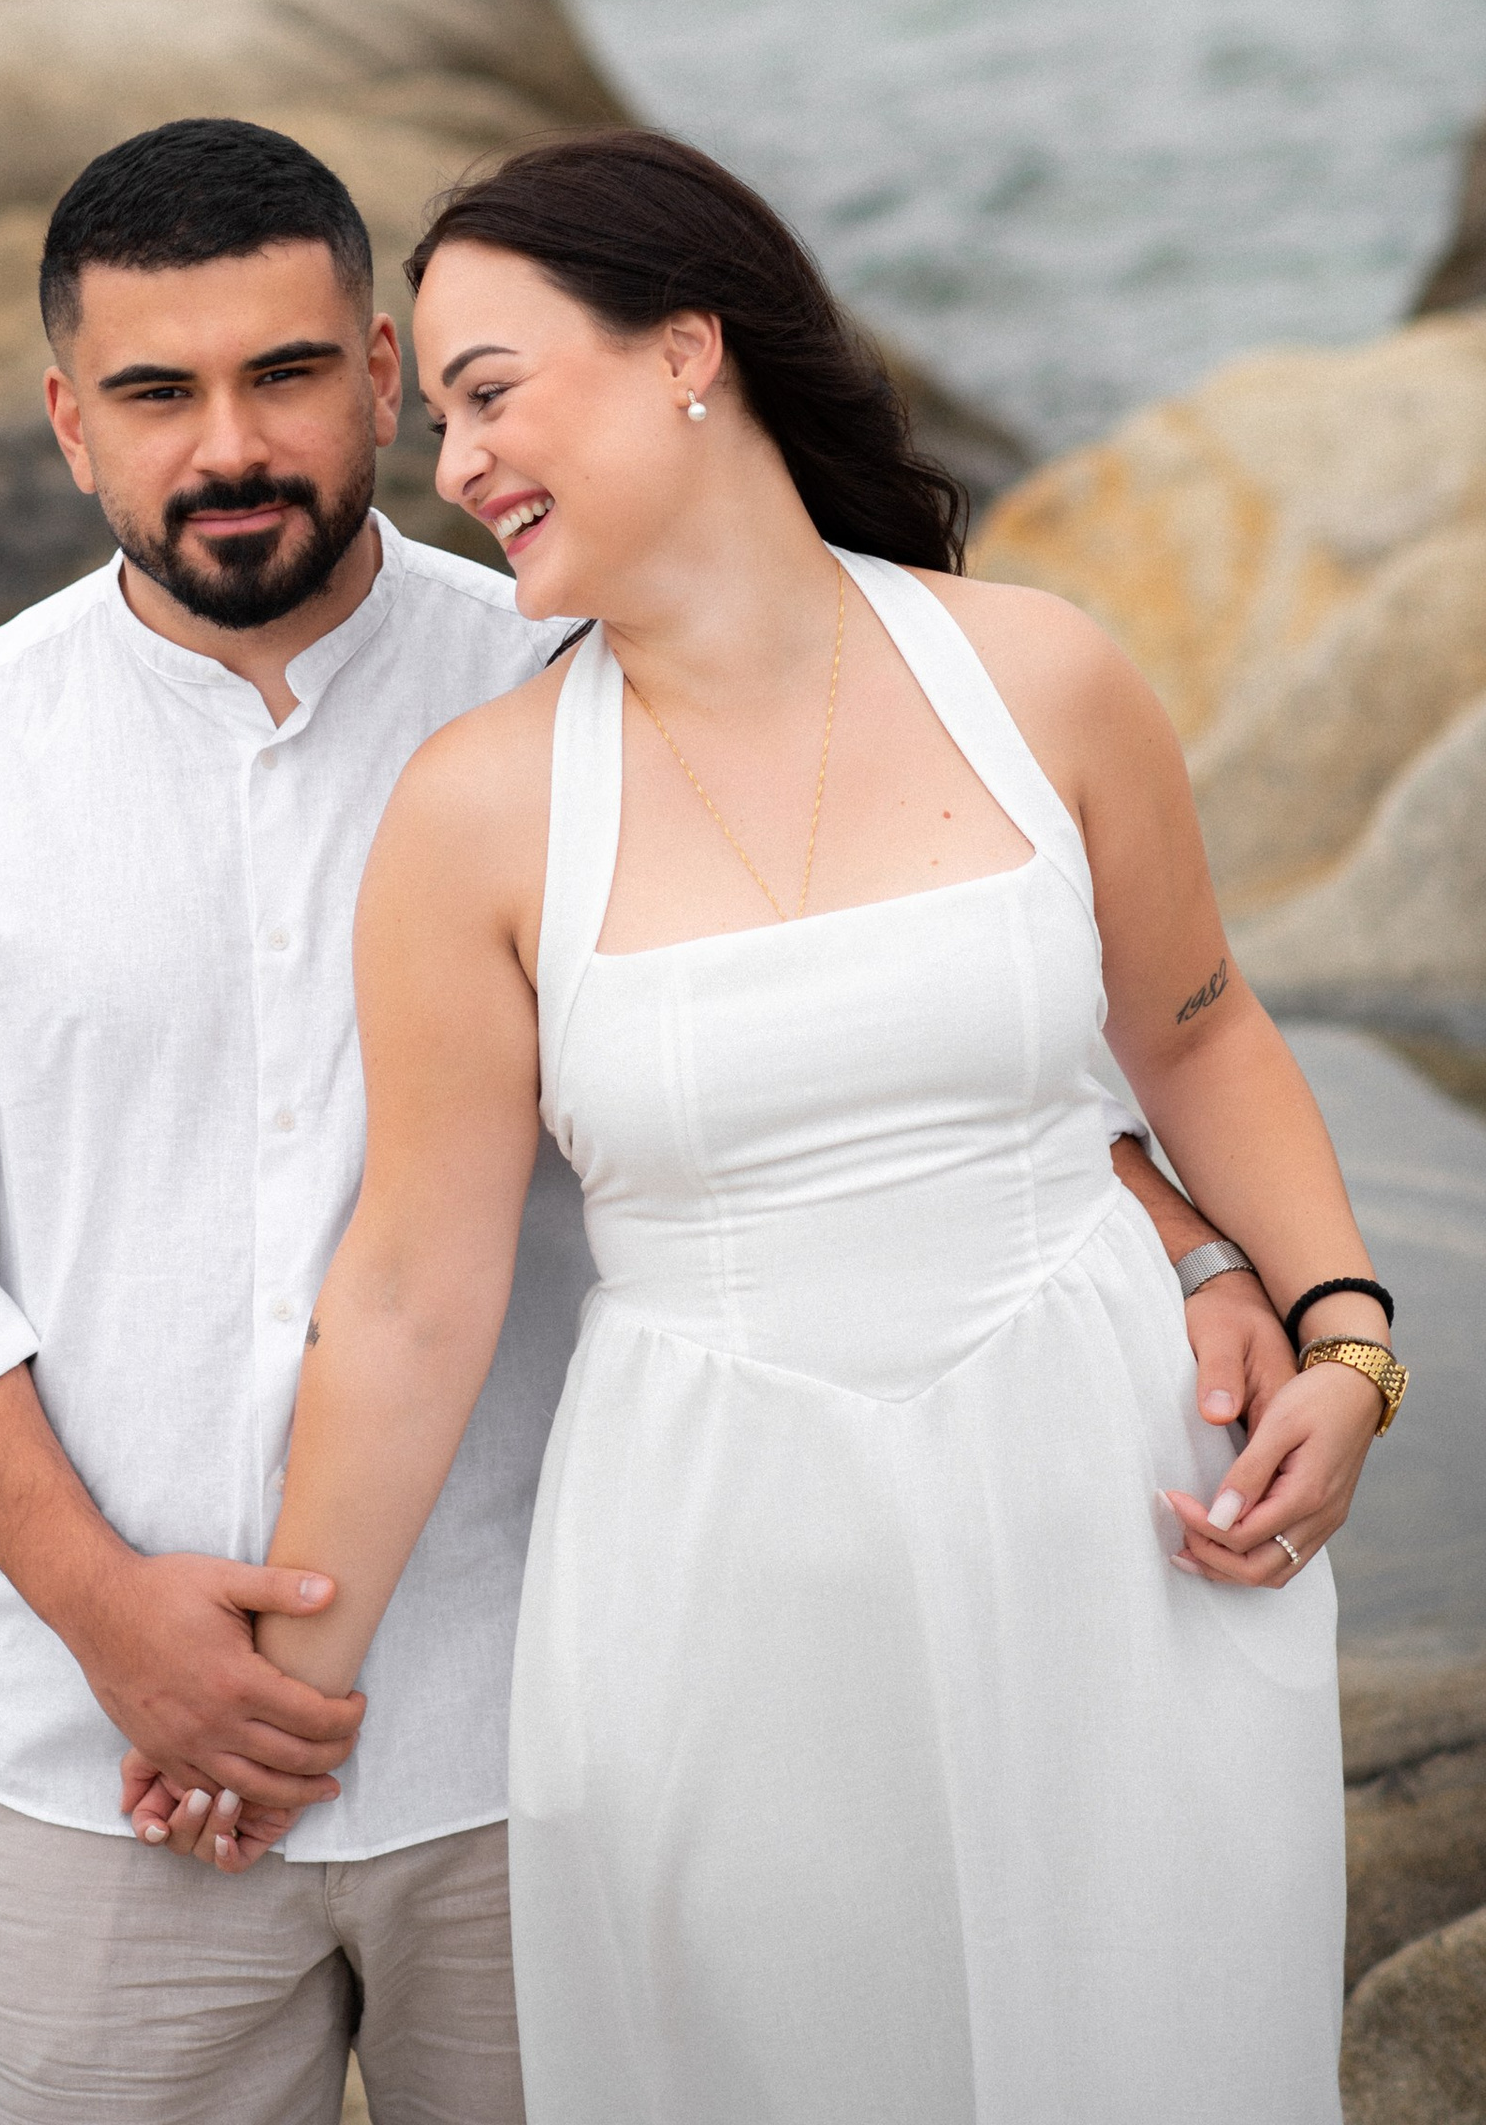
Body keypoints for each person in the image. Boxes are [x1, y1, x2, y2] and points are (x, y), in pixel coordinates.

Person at [0, 118, 1293, 2124]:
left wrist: (1197, 1243)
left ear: (382, 379)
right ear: (67, 421)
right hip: (99, 1765)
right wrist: (111, 1620)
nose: (224, 443)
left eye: (286, 374)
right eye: (154, 392)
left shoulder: (583, 660)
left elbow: (880, 1033)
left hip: (542, 1728)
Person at [253, 127, 1399, 2125]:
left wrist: (1342, 1336)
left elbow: (1198, 1033)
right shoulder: (474, 810)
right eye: (435, 416)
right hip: (717, 1564)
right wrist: (281, 1687)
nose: (454, 467)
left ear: (687, 344)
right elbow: (415, 1286)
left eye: (489, 391)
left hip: (1107, 1514)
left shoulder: (1036, 671)